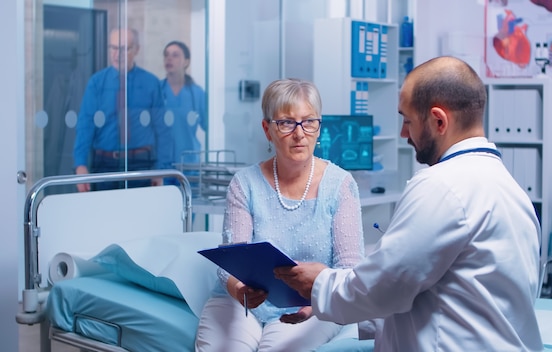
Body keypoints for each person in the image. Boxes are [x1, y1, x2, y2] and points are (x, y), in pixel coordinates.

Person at [276, 56, 544, 351]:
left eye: (407, 121)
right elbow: (446, 293)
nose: (404, 134)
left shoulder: (442, 186)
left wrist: (319, 284)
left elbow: (382, 288)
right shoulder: (510, 189)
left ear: (439, 121)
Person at [195, 78, 365, 352]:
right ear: (267, 129)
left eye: (309, 121)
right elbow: (229, 261)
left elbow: (348, 270)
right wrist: (240, 291)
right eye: (287, 123)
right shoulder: (244, 183)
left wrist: (315, 303)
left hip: (316, 303)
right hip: (243, 299)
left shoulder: (341, 185)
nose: (300, 133)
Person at [73, 27, 172, 191]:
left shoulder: (151, 83)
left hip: (142, 165)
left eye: (124, 48)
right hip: (105, 165)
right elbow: (85, 125)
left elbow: (162, 130)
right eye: (113, 47)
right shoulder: (96, 83)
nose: (117, 53)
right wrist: (80, 164)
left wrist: (161, 169)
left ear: (136, 50)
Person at [161, 40, 207, 169]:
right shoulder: (157, 90)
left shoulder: (197, 93)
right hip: (162, 164)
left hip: (189, 163)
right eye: (166, 55)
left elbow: (209, 126)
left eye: (175, 55)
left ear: (186, 61)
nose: (169, 58)